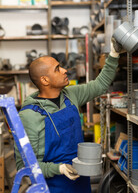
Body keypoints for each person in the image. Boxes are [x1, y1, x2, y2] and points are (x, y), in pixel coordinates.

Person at [15, 39, 121, 193]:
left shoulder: (70, 95)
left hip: (80, 180)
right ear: (45, 80)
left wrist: (114, 54)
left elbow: (100, 85)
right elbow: (25, 167)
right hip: (53, 186)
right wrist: (59, 168)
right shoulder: (29, 115)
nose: (65, 70)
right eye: (57, 69)